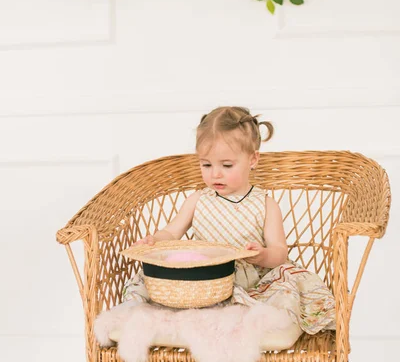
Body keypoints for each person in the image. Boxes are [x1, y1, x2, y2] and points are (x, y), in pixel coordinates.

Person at [122, 106, 336, 335]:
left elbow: (279, 252)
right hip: (205, 279)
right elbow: (172, 233)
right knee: (150, 282)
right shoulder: (198, 199)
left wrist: (262, 255)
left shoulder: (264, 204)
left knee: (284, 292)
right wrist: (154, 240)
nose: (215, 174)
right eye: (206, 165)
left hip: (249, 279)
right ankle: (138, 319)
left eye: (226, 165)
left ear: (252, 159)